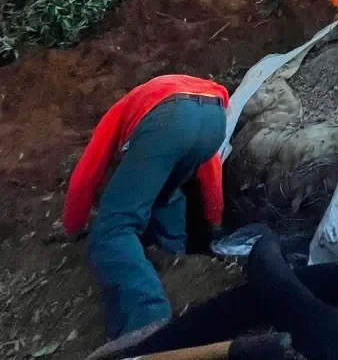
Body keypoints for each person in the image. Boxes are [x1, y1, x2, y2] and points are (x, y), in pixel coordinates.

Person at [62, 75, 230, 343]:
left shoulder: (120, 112)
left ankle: (146, 316)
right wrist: (215, 222)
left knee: (113, 229)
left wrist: (73, 225)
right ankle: (175, 260)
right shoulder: (162, 94)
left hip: (170, 116)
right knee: (165, 193)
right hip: (216, 117)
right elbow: (210, 171)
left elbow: (86, 175)